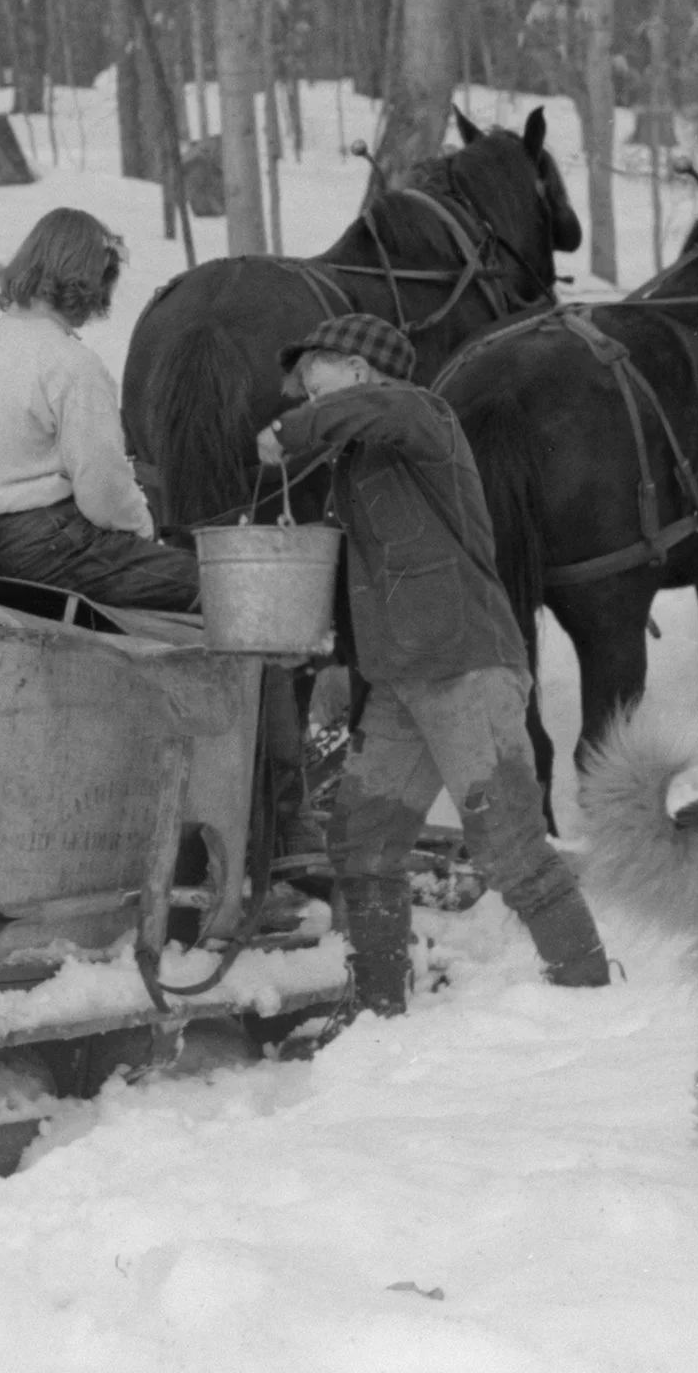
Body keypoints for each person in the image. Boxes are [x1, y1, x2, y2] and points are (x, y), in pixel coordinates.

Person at [256, 311, 609, 1012]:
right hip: (400, 679)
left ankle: (589, 994)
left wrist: (292, 432)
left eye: (312, 373)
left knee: (509, 845)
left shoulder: (422, 416)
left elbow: (380, 409)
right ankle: (378, 1008)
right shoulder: (359, 457)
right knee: (361, 841)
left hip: (464, 665)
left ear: (357, 370)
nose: (300, 390)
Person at [0, 208, 198, 611]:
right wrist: (143, 528)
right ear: (88, 279)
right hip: (51, 552)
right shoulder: (70, 364)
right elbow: (102, 488)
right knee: (217, 586)